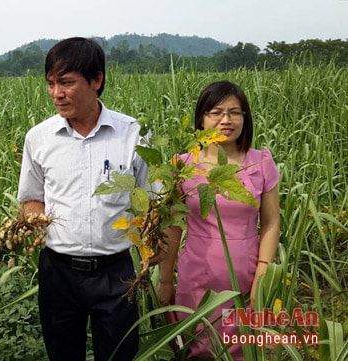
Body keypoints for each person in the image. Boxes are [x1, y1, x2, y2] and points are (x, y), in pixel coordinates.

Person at [17, 37, 155, 361]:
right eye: (51, 83)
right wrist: (33, 219)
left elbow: (153, 203)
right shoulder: (38, 138)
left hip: (116, 273)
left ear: (96, 80)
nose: (56, 93)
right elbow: (31, 199)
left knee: (119, 354)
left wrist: (153, 247)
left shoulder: (133, 135)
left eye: (66, 82)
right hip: (58, 272)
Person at [157, 80, 280, 360]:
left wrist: (262, 275)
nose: (226, 120)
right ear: (201, 118)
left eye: (235, 112)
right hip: (195, 278)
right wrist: (165, 280)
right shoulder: (183, 165)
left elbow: (272, 223)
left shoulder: (260, 163)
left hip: (246, 279)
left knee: (241, 350)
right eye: (216, 112)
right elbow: (173, 226)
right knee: (195, 348)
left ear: (244, 118)